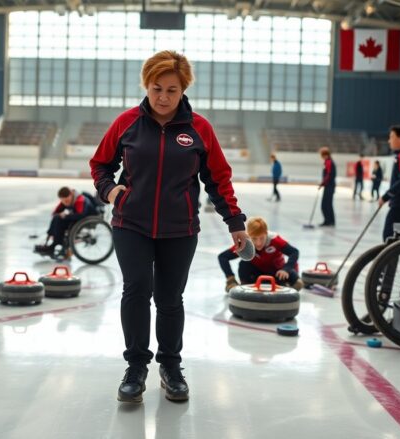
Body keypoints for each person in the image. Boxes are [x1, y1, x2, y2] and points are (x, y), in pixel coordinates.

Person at [90, 50, 247, 404]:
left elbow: (218, 179)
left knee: (169, 298)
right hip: (131, 224)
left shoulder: (200, 129)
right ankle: (135, 367)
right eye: (156, 88)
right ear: (146, 85)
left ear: (183, 90)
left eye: (171, 90)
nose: (162, 97)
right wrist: (111, 190)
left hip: (180, 229)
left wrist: (235, 222)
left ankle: (171, 367)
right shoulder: (126, 123)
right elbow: (100, 165)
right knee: (136, 290)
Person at [218, 217, 302, 292]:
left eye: (262, 238)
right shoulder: (245, 244)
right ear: (249, 236)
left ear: (266, 233)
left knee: (298, 283)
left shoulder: (275, 240)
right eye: (254, 238)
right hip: (256, 275)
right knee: (244, 264)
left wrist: (286, 269)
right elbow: (223, 257)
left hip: (277, 273)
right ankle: (244, 284)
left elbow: (294, 252)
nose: (258, 243)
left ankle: (285, 284)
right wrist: (231, 279)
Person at [34, 186, 96, 258]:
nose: (65, 203)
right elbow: (54, 213)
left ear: (71, 195)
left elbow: (80, 215)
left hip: (86, 218)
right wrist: (61, 214)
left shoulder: (80, 200)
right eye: (63, 201)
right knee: (57, 218)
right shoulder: (66, 199)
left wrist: (65, 216)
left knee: (60, 220)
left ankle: (55, 244)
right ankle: (52, 242)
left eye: (67, 201)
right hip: (78, 217)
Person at [318, 146, 336, 227]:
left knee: (326, 204)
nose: (321, 157)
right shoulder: (328, 161)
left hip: (329, 186)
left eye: (322, 155)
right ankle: (329, 221)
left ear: (325, 155)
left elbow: (328, 175)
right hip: (329, 186)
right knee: (327, 204)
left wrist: (322, 183)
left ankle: (329, 221)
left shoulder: (328, 162)